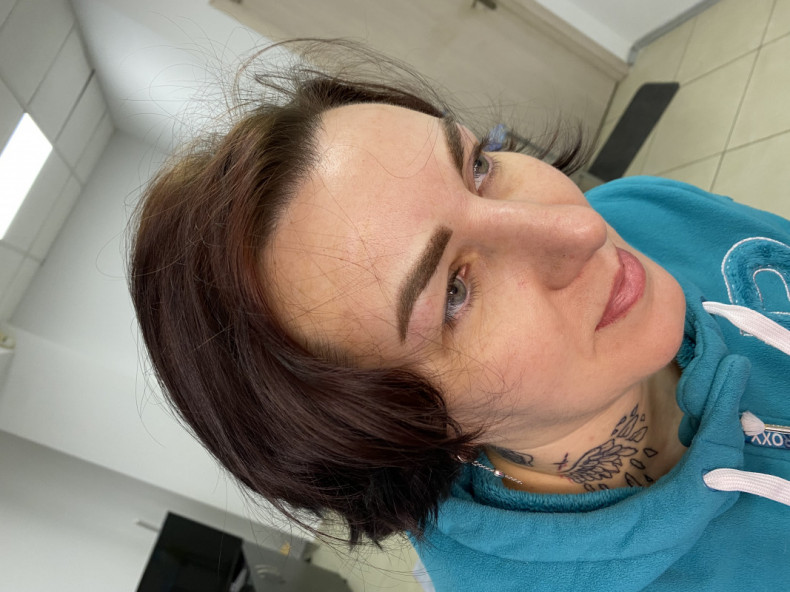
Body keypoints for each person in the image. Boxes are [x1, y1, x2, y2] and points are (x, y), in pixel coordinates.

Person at [129, 40, 790, 591]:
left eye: (478, 167)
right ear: (403, 430)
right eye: (454, 291)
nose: (580, 229)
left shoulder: (646, 211)